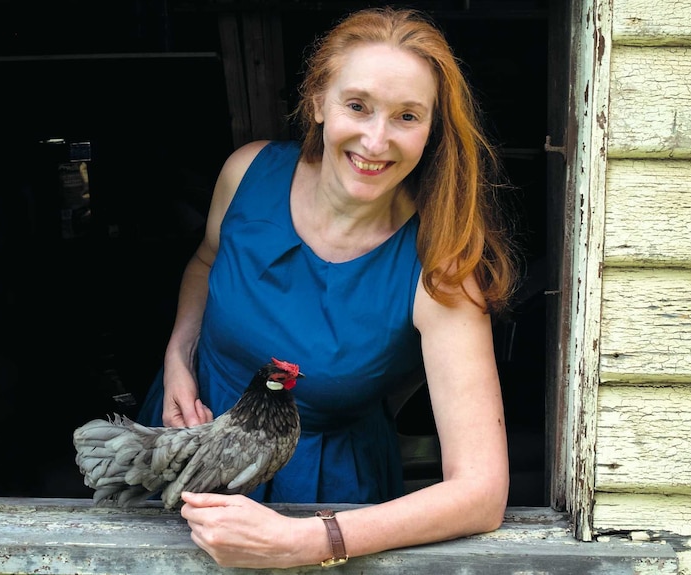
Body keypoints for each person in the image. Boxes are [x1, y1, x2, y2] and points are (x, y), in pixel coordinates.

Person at [136, 5, 519, 569]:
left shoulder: (441, 270)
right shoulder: (247, 174)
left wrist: (310, 540)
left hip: (322, 492)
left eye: (407, 116)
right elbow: (204, 263)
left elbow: (482, 493)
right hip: (188, 437)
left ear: (432, 130)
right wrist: (178, 352)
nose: (376, 139)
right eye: (357, 105)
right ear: (318, 102)